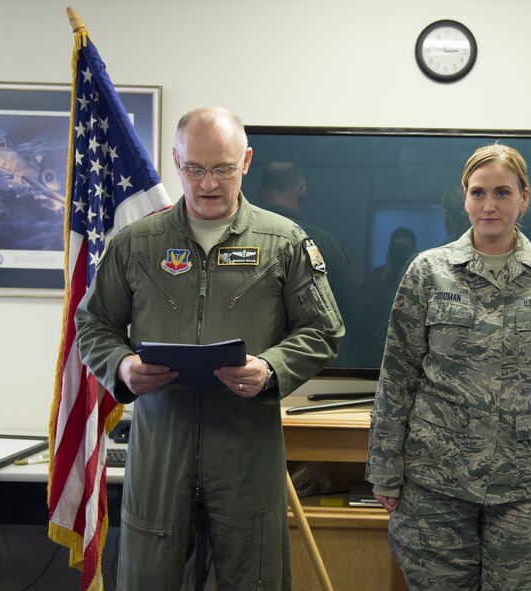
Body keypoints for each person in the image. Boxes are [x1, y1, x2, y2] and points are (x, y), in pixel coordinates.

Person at [75, 107, 344, 590]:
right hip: (161, 444)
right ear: (176, 162)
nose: (208, 183)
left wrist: (270, 367)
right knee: (146, 578)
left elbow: (323, 330)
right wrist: (122, 365)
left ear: (246, 162)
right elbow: (93, 323)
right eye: (195, 168)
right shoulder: (137, 243)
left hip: (247, 445)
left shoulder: (283, 242)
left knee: (254, 576)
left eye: (222, 167)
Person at [365, 143, 531, 590]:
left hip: (527, 487)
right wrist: (384, 471)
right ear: (464, 198)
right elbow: (396, 379)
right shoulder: (427, 272)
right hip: (435, 482)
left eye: (502, 192)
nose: (488, 205)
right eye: (478, 193)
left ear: (524, 198)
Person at [257, 161, 358, 362]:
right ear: (301, 191)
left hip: (252, 370)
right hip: (316, 370)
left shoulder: (235, 245)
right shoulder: (325, 244)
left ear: (260, 192)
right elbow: (350, 312)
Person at [358, 226, 417, 366]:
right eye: (397, 249)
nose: (400, 253)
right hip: (375, 354)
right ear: (390, 250)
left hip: (407, 356)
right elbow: (364, 312)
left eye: (405, 250)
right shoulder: (377, 277)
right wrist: (385, 276)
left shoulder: (418, 279)